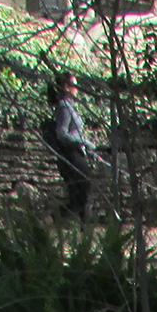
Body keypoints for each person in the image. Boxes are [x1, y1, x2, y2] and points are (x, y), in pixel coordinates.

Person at [41, 74, 95, 220]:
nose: (77, 89)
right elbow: (62, 134)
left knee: (81, 198)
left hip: (75, 155)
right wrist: (85, 142)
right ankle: (51, 220)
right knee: (83, 198)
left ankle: (85, 233)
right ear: (66, 87)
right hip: (72, 157)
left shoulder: (68, 106)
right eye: (74, 85)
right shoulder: (64, 107)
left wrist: (86, 148)